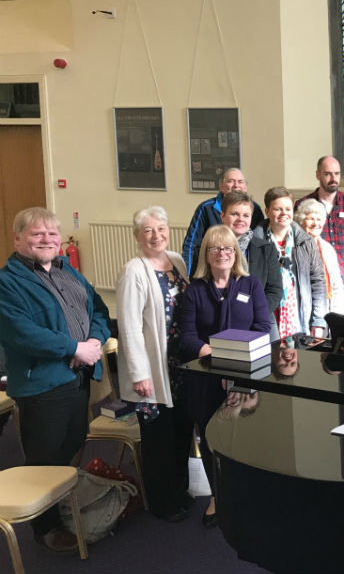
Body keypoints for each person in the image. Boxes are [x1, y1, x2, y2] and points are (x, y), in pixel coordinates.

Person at [0, 207, 111, 552]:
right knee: (44, 457)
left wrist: (94, 341)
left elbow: (99, 311)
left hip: (78, 377)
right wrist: (74, 348)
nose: (47, 239)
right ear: (17, 239)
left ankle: (63, 501)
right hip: (42, 384)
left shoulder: (69, 272)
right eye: (37, 234)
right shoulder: (7, 282)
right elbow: (22, 333)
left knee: (75, 439)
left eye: (52, 233)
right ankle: (45, 528)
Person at [179, 224, 272, 527]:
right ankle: (217, 496)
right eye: (215, 248)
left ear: (236, 253)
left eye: (228, 248)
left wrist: (233, 364)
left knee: (244, 438)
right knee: (210, 439)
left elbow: (262, 329)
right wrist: (219, 358)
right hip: (206, 379)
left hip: (245, 376)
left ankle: (245, 494)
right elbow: (188, 338)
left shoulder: (251, 285)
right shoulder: (194, 290)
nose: (222, 253)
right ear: (206, 254)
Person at [115, 206, 193, 522]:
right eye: (148, 230)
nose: (155, 235)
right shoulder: (134, 270)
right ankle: (162, 502)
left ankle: (180, 491)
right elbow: (129, 325)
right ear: (137, 236)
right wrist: (139, 374)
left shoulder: (177, 260)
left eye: (160, 228)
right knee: (156, 438)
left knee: (179, 433)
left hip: (180, 367)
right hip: (150, 375)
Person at [255, 187, 328, 338]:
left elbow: (318, 281)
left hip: (299, 315)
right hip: (268, 315)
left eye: (288, 209)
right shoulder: (256, 242)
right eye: (277, 209)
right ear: (267, 211)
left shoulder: (306, 242)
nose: (284, 213)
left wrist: (318, 321)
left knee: (297, 359)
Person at [294, 156, 344, 304]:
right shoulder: (303, 204)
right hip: (313, 278)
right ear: (317, 175)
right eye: (327, 174)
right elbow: (296, 243)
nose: (333, 178)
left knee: (343, 324)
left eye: (337, 173)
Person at [219, 191, 283, 335]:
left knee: (269, 357)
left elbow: (275, 290)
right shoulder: (209, 248)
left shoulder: (266, 249)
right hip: (221, 318)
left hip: (260, 318)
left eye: (246, 215)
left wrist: (254, 313)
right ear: (222, 215)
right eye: (234, 214)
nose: (240, 219)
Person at [181, 168, 263, 277]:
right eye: (230, 181)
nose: (236, 186)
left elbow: (260, 241)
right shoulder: (206, 208)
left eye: (240, 181)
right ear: (221, 186)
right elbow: (191, 245)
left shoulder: (255, 208)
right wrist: (189, 277)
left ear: (245, 187)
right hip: (213, 272)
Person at [296, 198, 344, 317]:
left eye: (319, 219)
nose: (316, 223)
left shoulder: (327, 248)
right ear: (301, 220)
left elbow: (337, 285)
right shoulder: (295, 247)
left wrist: (338, 316)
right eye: (310, 219)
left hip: (328, 308)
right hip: (303, 311)